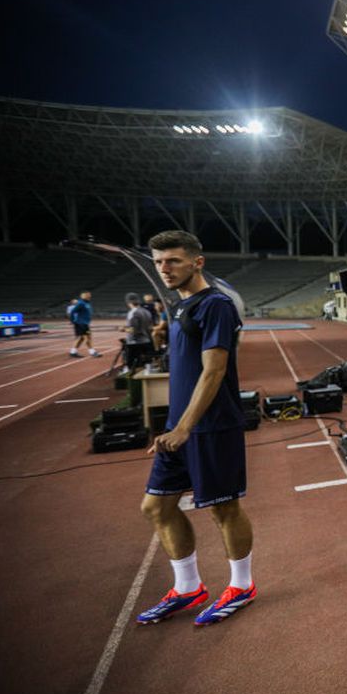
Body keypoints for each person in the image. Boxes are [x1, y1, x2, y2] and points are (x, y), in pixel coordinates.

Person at [137, 230, 256, 626]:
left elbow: (215, 370)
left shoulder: (216, 305)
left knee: (224, 508)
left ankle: (242, 585)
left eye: (173, 260)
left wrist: (185, 426)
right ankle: (189, 588)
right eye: (158, 262)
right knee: (156, 507)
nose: (164, 269)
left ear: (197, 262)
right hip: (179, 426)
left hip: (210, 427)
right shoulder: (181, 306)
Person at [122, 292, 156, 371]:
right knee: (148, 365)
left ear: (128, 302)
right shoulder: (147, 312)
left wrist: (123, 329)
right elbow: (150, 327)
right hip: (147, 340)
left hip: (134, 343)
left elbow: (133, 330)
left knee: (132, 366)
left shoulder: (133, 313)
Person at [68, 291, 100, 358]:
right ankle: (92, 352)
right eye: (87, 295)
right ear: (82, 296)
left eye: (89, 295)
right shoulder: (81, 303)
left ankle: (73, 352)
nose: (89, 296)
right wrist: (72, 321)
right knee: (88, 337)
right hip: (81, 324)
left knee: (81, 338)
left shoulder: (87, 303)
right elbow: (72, 312)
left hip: (84, 323)